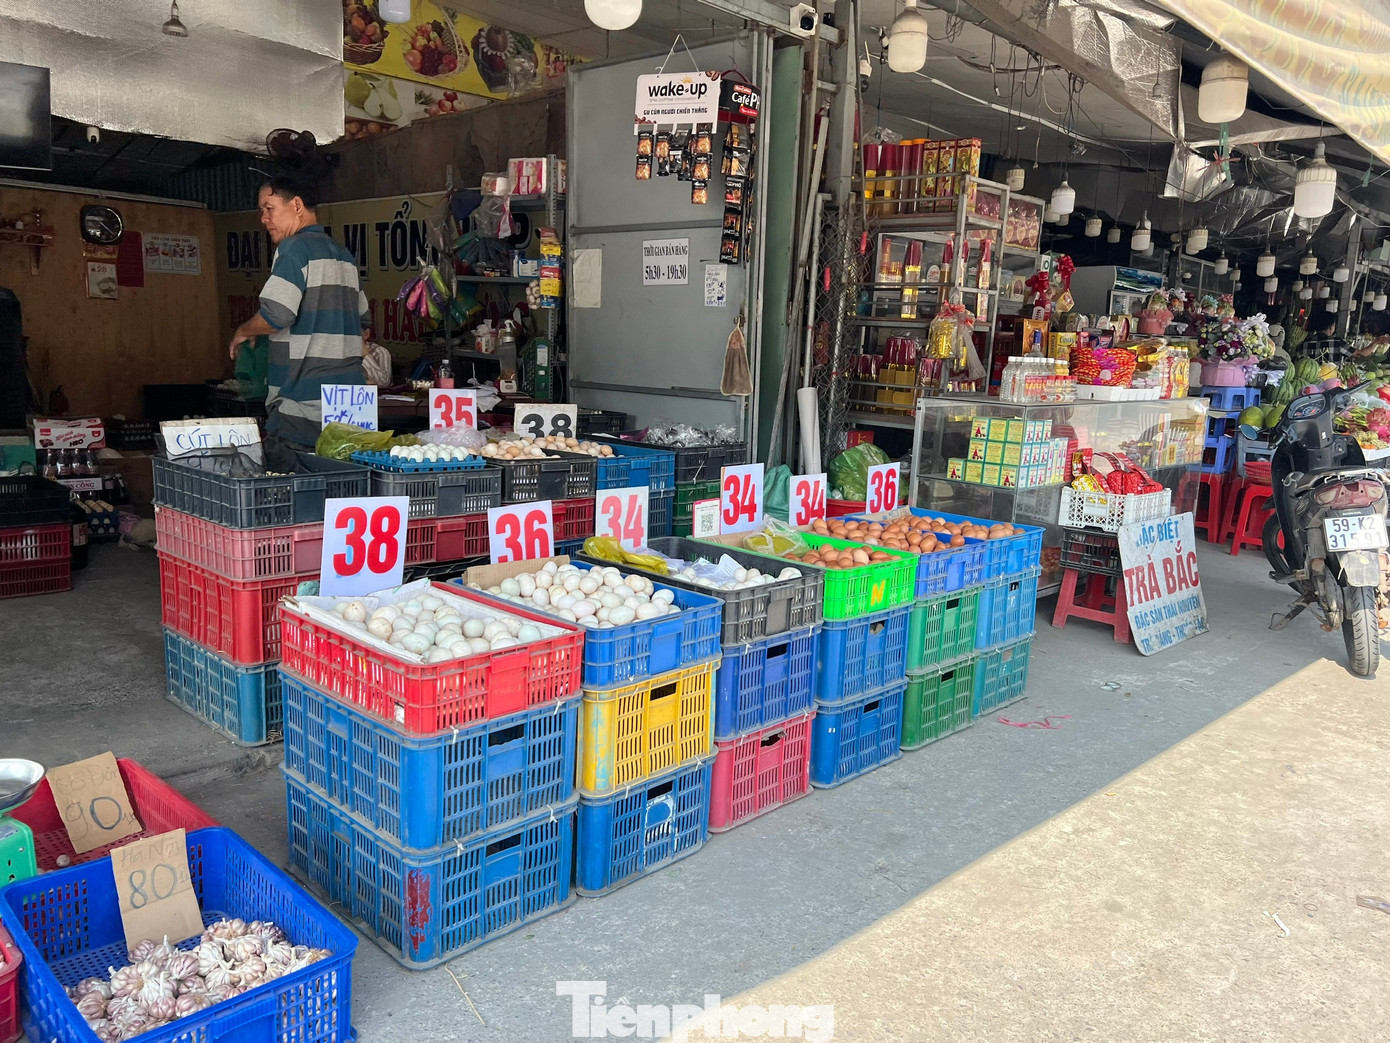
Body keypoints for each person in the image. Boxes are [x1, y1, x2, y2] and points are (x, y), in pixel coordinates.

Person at [229, 174, 368, 453]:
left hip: (304, 407)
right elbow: (364, 325)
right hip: (352, 408)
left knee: (300, 478)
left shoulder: (293, 248)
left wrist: (244, 330)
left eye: (269, 209)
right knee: (345, 477)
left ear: (296, 205)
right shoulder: (343, 255)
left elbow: (278, 314)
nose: (263, 219)